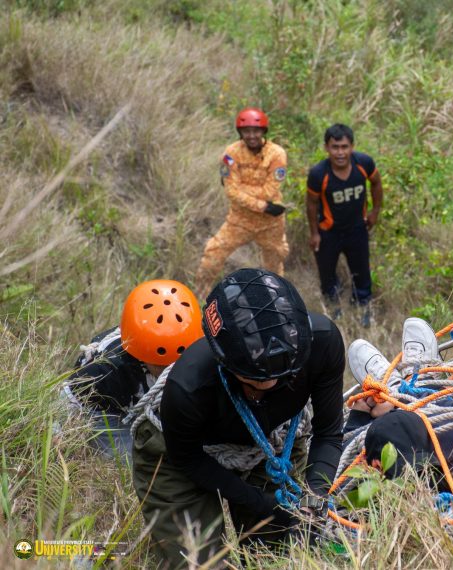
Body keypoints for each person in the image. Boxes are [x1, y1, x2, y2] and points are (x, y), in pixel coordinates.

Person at [132, 269, 344, 568]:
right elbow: (189, 460)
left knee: (276, 557)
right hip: (183, 456)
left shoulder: (322, 343)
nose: (267, 388)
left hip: (272, 442)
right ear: (223, 361)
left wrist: (315, 496)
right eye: (254, 382)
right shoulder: (189, 387)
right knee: (198, 562)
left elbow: (329, 432)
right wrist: (259, 503)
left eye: (283, 378)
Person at [343, 319, 453, 488]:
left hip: (402, 461)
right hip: (443, 429)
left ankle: (402, 391)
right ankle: (420, 384)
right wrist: (409, 407)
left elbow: (334, 475)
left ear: (375, 464)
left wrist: (359, 417)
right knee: (440, 411)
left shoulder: (369, 495)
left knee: (359, 443)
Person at [64, 280, 203, 462]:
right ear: (139, 354)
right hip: (105, 410)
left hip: (139, 399)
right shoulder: (104, 371)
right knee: (134, 464)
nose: (167, 372)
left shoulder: (201, 350)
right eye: (159, 366)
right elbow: (67, 402)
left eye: (175, 363)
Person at [195, 108, 290, 298]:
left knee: (274, 265)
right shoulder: (231, 153)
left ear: (264, 131)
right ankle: (199, 298)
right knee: (212, 255)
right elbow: (231, 191)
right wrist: (262, 206)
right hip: (239, 220)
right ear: (240, 132)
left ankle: (276, 301)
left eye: (256, 131)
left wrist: (241, 189)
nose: (252, 136)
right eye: (247, 131)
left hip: (270, 223)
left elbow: (270, 191)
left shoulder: (277, 154)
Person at [306, 124, 383, 327]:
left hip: (357, 229)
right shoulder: (318, 173)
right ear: (326, 148)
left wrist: (375, 211)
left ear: (352, 146)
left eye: (344, 147)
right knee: (327, 273)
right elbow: (311, 203)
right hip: (328, 232)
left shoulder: (363, 163)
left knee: (362, 272)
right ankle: (334, 305)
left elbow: (376, 182)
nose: (340, 152)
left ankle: (363, 306)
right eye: (335, 147)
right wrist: (314, 233)